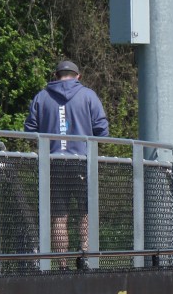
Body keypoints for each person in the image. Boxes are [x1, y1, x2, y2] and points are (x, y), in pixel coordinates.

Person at [23, 59, 109, 258]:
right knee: (86, 214)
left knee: (59, 217)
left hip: (52, 165)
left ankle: (62, 265)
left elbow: (30, 130)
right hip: (83, 164)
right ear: (78, 76)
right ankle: (86, 260)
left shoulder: (41, 97)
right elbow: (102, 130)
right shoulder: (88, 96)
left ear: (56, 76)